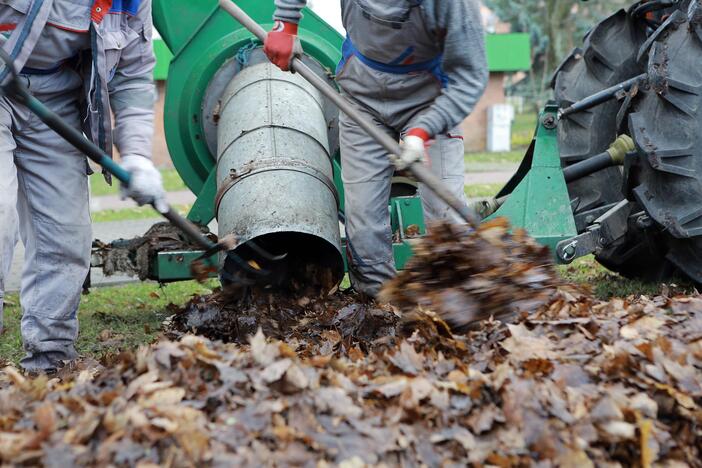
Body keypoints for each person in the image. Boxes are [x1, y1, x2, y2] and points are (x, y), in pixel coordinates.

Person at [265, 0, 489, 297]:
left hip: (430, 101)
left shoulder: (455, 5)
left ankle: (457, 304)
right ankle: (377, 307)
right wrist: (286, 23)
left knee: (446, 215)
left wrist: (424, 129)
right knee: (365, 225)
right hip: (362, 98)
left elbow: (471, 77)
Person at [0, 0, 164, 374]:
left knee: (66, 235)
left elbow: (134, 73)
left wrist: (137, 155)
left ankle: (49, 362)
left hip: (54, 102)